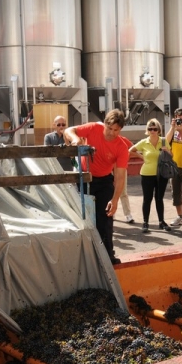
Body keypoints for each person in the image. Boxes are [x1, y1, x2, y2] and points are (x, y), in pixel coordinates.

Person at [64, 109, 128, 265]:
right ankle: (80, 256)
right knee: (81, 218)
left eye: (116, 130)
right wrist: (75, 139)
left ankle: (107, 255)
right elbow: (68, 130)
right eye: (109, 128)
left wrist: (115, 200)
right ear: (104, 124)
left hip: (104, 181)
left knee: (105, 218)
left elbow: (120, 177)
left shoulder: (121, 147)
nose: (111, 133)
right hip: (84, 178)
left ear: (120, 130)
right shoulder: (93, 128)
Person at [129, 119, 172, 233]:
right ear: (147, 130)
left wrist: (166, 150)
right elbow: (130, 151)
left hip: (161, 174)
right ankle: (145, 222)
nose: (152, 131)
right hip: (147, 173)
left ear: (159, 130)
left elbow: (171, 155)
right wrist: (141, 157)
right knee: (147, 199)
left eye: (155, 129)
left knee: (159, 198)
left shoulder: (163, 141)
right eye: (150, 129)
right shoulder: (144, 142)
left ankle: (161, 222)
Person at [118, 135, 135, 223]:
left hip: (121, 168)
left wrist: (126, 156)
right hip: (107, 168)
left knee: (123, 192)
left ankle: (128, 214)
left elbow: (133, 148)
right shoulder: (103, 140)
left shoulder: (122, 139)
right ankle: (110, 213)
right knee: (108, 192)